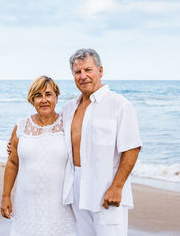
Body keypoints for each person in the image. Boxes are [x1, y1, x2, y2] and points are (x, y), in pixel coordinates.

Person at [61, 48, 142, 236]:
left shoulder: (119, 105)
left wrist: (117, 187)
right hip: (75, 188)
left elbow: (132, 148)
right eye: (77, 72)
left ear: (100, 71)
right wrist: (18, 143)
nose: (83, 76)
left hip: (105, 188)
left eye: (88, 70)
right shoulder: (69, 108)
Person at [0, 76, 76, 236]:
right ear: (32, 99)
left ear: (56, 97)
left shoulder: (68, 125)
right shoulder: (21, 126)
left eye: (48, 94)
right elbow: (13, 163)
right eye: (38, 95)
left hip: (60, 204)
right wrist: (6, 196)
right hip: (27, 203)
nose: (44, 100)